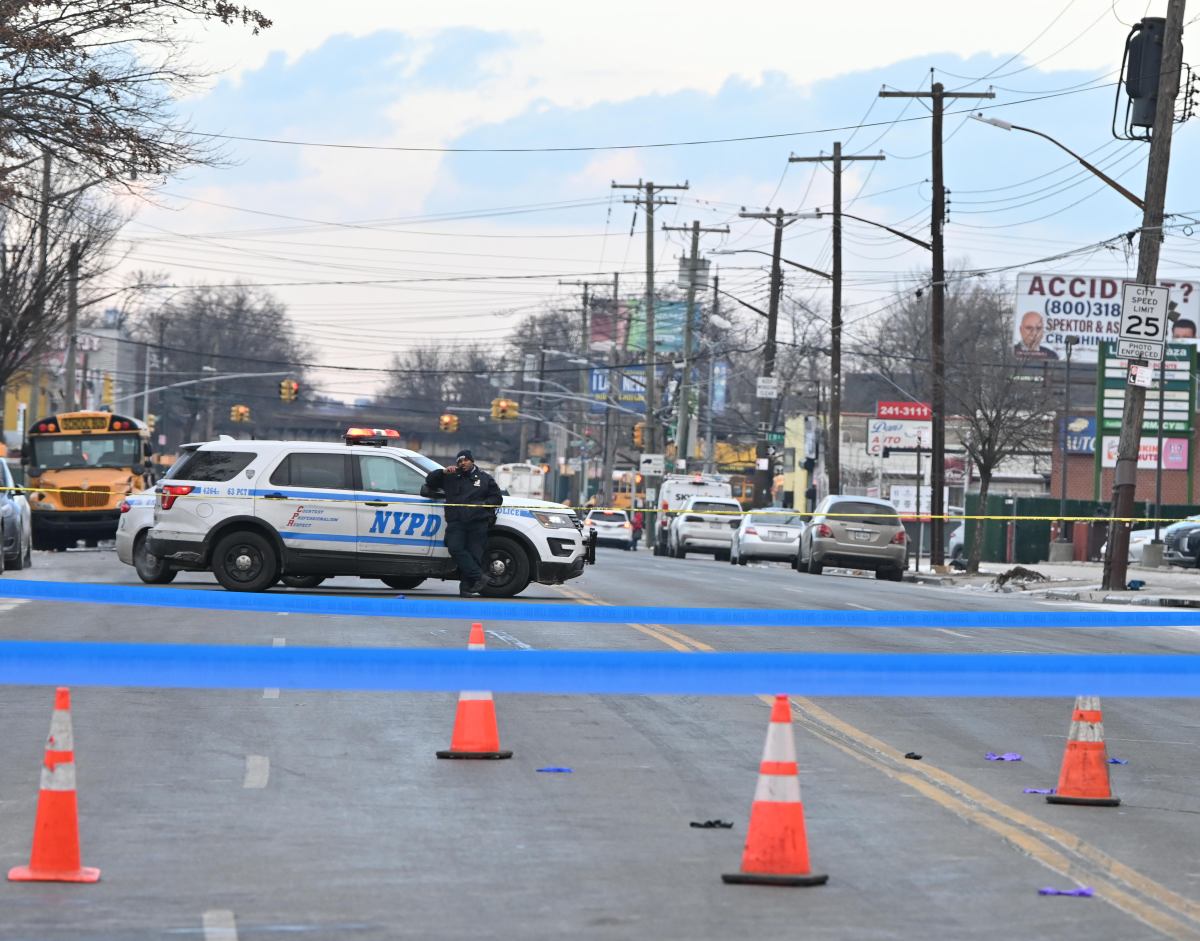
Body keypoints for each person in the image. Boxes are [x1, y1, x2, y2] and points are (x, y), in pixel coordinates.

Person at [425, 449, 503, 596]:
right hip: (457, 521)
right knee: (454, 548)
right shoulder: (451, 476)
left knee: (474, 555)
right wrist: (442, 472)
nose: (463, 463)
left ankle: (466, 589)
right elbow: (429, 480)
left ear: (472, 461)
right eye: (459, 461)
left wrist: (483, 505)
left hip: (477, 522)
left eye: (465, 460)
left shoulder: (485, 478)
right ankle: (479, 577)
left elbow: (497, 498)